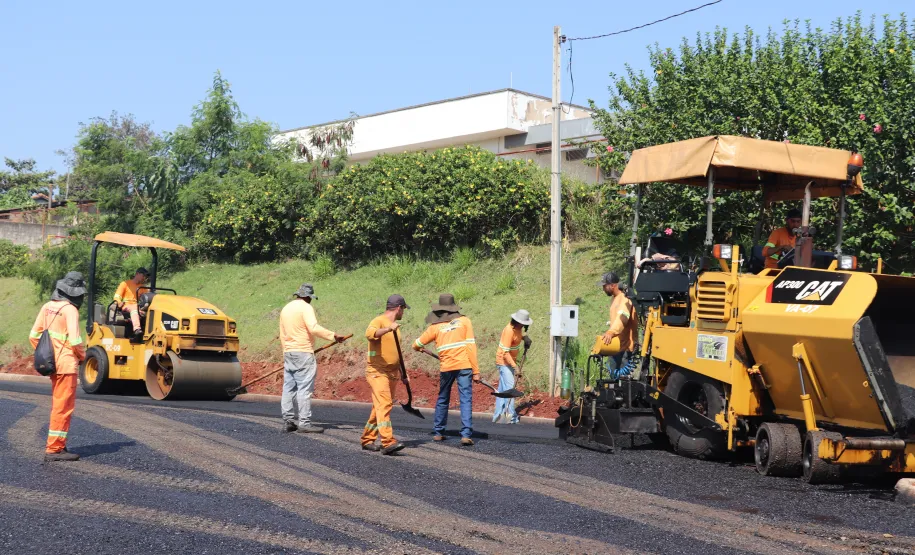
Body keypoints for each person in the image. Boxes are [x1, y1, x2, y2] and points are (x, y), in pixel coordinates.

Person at [29, 272, 87, 462]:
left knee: (58, 405)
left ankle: (57, 444)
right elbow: (76, 340)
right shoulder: (70, 310)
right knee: (63, 407)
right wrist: (83, 356)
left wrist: (47, 354)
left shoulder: (47, 307)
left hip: (52, 365)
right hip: (67, 365)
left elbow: (33, 335)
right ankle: (54, 449)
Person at [413, 293, 480, 446]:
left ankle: (438, 432)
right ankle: (466, 434)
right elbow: (471, 347)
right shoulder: (465, 321)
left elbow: (416, 344)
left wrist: (420, 348)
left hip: (447, 367)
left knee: (443, 398)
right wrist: (476, 371)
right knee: (465, 399)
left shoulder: (435, 327)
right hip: (464, 366)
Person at [279, 283, 346, 434]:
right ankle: (304, 422)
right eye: (310, 298)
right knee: (304, 388)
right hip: (303, 352)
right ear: (307, 297)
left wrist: (286, 351)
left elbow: (282, 334)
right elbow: (313, 328)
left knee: (288, 388)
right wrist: (333, 335)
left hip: (289, 352)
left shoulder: (286, 308)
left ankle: (288, 421)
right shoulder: (306, 307)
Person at [361, 294, 410, 455]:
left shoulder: (394, 325)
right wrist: (388, 328)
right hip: (377, 371)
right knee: (385, 404)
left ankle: (368, 438)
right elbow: (370, 334)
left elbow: (396, 352)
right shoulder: (379, 321)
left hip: (392, 372)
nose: (403, 312)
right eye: (403, 309)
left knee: (379, 406)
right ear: (398, 308)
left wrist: (403, 373)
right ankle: (388, 441)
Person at [492, 309, 532, 424]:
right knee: (510, 390)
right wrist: (515, 367)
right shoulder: (509, 330)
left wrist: (525, 338)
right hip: (504, 362)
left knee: (503, 391)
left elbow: (517, 337)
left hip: (509, 362)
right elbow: (505, 353)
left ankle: (499, 418)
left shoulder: (518, 329)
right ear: (518, 322)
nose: (525, 325)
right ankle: (512, 418)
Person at [600, 272, 637, 371]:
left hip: (625, 349)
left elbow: (623, 318)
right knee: (612, 381)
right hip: (616, 346)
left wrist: (611, 332)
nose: (603, 289)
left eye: (605, 286)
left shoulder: (625, 298)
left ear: (613, 285)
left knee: (622, 383)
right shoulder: (614, 298)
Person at [114, 268, 150, 338]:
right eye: (143, 275)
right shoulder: (125, 284)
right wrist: (119, 302)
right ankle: (137, 329)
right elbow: (117, 296)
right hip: (126, 305)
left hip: (137, 307)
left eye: (145, 276)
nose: (144, 278)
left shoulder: (143, 288)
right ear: (137, 274)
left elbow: (148, 296)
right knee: (134, 308)